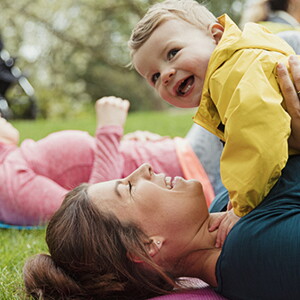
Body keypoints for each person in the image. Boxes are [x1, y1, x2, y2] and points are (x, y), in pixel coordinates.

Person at [22, 58, 300, 300]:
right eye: (128, 187)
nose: (143, 168)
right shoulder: (253, 254)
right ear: (147, 245)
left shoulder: (222, 207)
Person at [128, 0, 300, 243]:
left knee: (246, 230)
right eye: (154, 76)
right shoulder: (228, 75)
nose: (165, 74)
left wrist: (243, 206)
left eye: (173, 53)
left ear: (216, 36)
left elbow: (258, 142)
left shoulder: (236, 72)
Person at [0, 96, 221, 226]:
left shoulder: (13, 161)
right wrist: (109, 130)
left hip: (186, 154)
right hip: (195, 174)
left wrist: (128, 144)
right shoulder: (8, 182)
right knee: (232, 81)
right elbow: (90, 214)